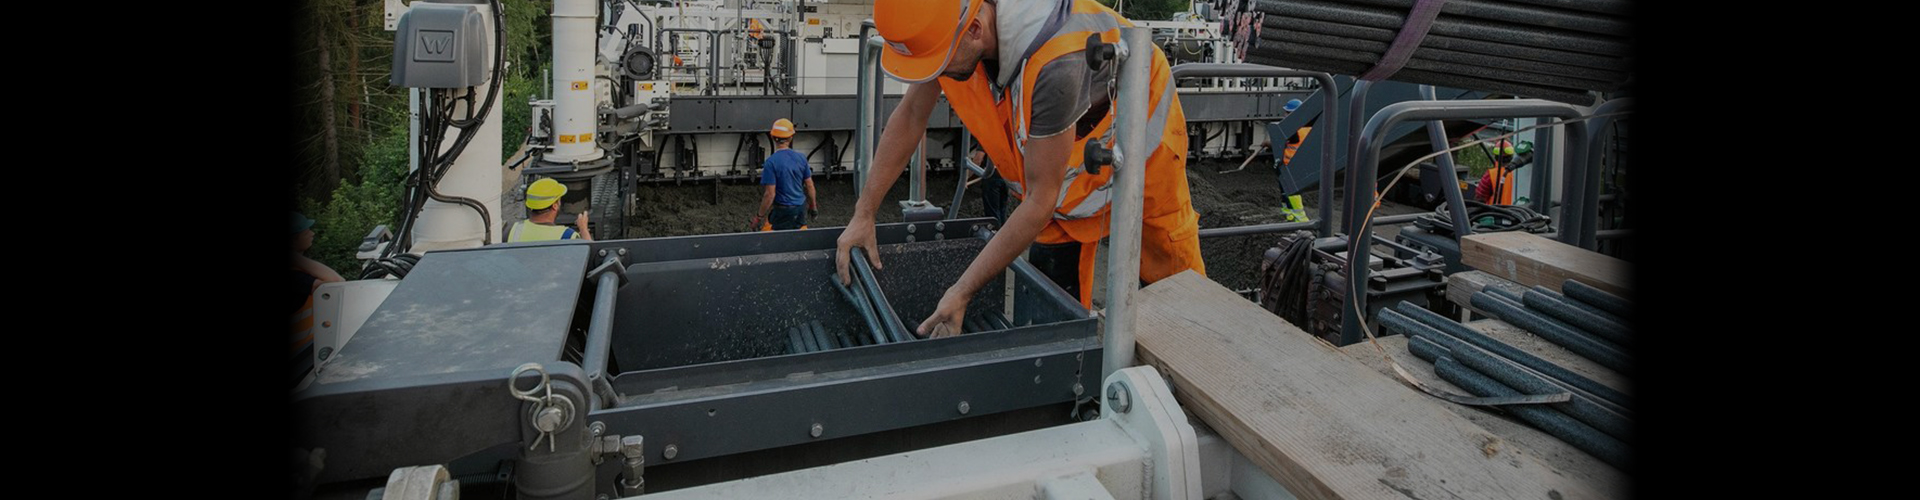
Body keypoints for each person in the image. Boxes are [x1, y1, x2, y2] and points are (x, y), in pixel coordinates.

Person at [839, 0, 1206, 338]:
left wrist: (961, 291)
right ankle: (1069, 369)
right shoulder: (959, 25)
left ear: (976, 30)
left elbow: (1039, 201)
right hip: (1059, 165)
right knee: (1054, 286)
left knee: (1171, 278)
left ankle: (1197, 352)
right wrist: (864, 213)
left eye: (939, 63)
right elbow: (911, 115)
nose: (937, 75)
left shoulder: (1057, 61)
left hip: (1143, 146)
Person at [291, 212, 343, 386]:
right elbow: (337, 284)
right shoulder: (296, 278)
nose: (312, 233)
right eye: (307, 231)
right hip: (301, 360)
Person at [755, 118, 819, 230]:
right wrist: (813, 206)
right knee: (799, 236)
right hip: (800, 207)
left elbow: (769, 195)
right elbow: (810, 185)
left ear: (773, 137)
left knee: (768, 237)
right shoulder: (801, 158)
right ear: (791, 138)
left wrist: (758, 217)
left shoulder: (771, 162)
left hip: (783, 210)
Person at [508, 178, 594, 241]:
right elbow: (590, 256)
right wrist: (583, 229)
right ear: (555, 206)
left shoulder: (513, 230)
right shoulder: (567, 236)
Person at [1278, 99, 1311, 223]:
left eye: (1287, 112)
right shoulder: (1307, 125)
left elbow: (1280, 141)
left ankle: (1300, 218)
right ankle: (1288, 215)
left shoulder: (1294, 130)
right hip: (1296, 163)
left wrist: (1267, 142)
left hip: (1290, 165)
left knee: (1291, 192)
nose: (1285, 115)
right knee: (1286, 191)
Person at [968, 139, 1011, 225]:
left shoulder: (986, 136)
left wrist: (966, 178)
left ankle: (996, 235)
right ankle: (1003, 234)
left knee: (992, 213)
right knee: (1002, 211)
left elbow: (978, 159)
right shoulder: (1004, 135)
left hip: (991, 176)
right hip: (1005, 176)